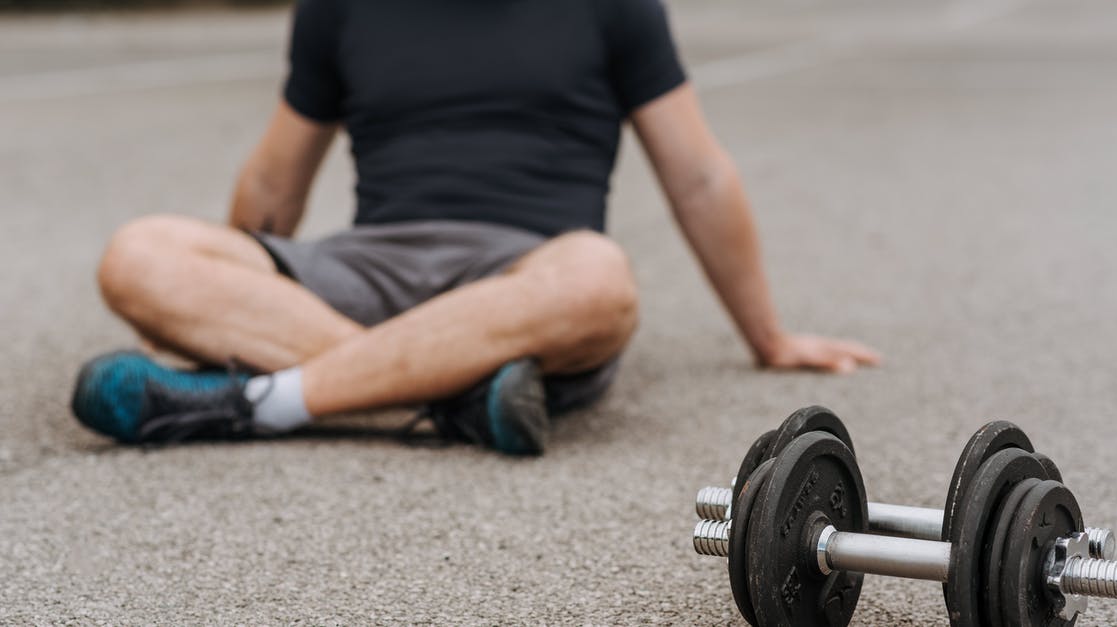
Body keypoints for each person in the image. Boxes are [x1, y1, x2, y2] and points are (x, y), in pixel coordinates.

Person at [71, 0, 881, 456]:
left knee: (600, 275)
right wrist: (225, 311)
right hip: (367, 269)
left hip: (527, 276)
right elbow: (276, 180)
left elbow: (699, 176)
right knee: (140, 253)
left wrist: (767, 336)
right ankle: (450, 395)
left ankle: (266, 397)